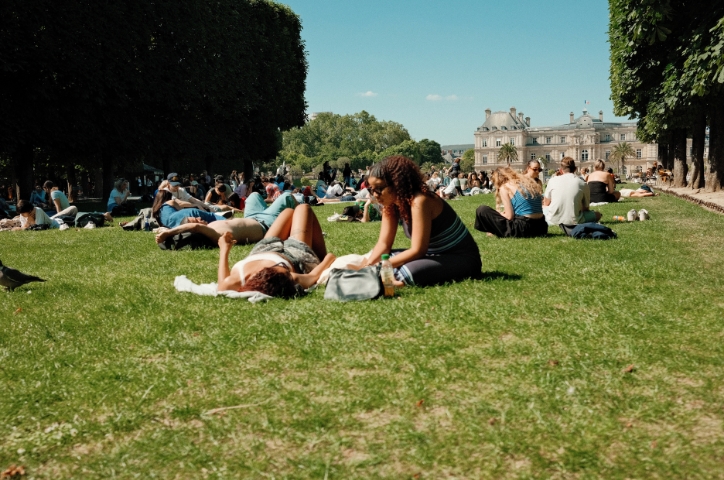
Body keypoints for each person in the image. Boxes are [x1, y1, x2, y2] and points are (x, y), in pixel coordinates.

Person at [354, 155, 482, 287]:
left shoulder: (420, 200)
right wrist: (369, 266)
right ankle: (383, 278)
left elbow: (417, 250)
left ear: (397, 183)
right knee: (384, 257)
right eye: (371, 189)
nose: (375, 194)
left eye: (379, 188)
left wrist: (379, 267)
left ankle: (388, 282)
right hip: (431, 255)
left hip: (460, 258)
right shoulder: (391, 204)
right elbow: (383, 244)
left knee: (408, 272)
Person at [217, 204, 336, 297]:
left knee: (288, 212)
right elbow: (313, 275)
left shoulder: (233, 282)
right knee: (303, 208)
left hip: (263, 248)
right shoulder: (288, 278)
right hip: (294, 253)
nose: (289, 272)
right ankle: (315, 253)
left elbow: (222, 283)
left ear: (263, 273)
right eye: (287, 271)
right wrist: (328, 258)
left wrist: (224, 249)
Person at [474, 166, 548, 238]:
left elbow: (509, 216)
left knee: (482, 210)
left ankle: (492, 230)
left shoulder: (505, 187)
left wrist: (500, 214)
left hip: (524, 228)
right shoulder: (527, 183)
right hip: (542, 227)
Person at [543, 157, 601, 225]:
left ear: (561, 170)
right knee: (598, 214)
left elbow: (546, 203)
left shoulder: (552, 180)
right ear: (575, 169)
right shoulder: (582, 183)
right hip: (575, 220)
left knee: (543, 208)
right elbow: (586, 208)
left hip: (552, 220)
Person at [152, 188, 227, 228]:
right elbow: (180, 209)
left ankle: (223, 219)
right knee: (212, 216)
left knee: (210, 223)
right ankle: (225, 218)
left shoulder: (157, 211)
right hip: (184, 215)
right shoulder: (170, 202)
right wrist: (195, 205)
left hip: (176, 222)